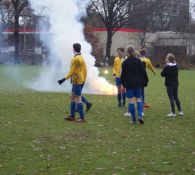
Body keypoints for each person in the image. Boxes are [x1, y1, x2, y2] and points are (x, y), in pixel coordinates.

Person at [58, 43, 87, 122]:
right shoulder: (81, 57)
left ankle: (81, 117)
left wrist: (63, 79)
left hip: (77, 81)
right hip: (81, 80)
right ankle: (72, 116)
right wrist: (84, 79)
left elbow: (71, 72)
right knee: (73, 97)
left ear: (73, 49)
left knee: (78, 98)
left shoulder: (75, 59)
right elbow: (85, 70)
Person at [121, 46, 148, 124]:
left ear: (127, 53)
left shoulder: (125, 62)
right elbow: (143, 72)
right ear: (134, 51)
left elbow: (123, 75)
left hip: (129, 84)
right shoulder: (138, 61)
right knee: (139, 99)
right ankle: (140, 115)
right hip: (138, 83)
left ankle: (133, 119)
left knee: (131, 101)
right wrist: (145, 81)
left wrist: (123, 83)